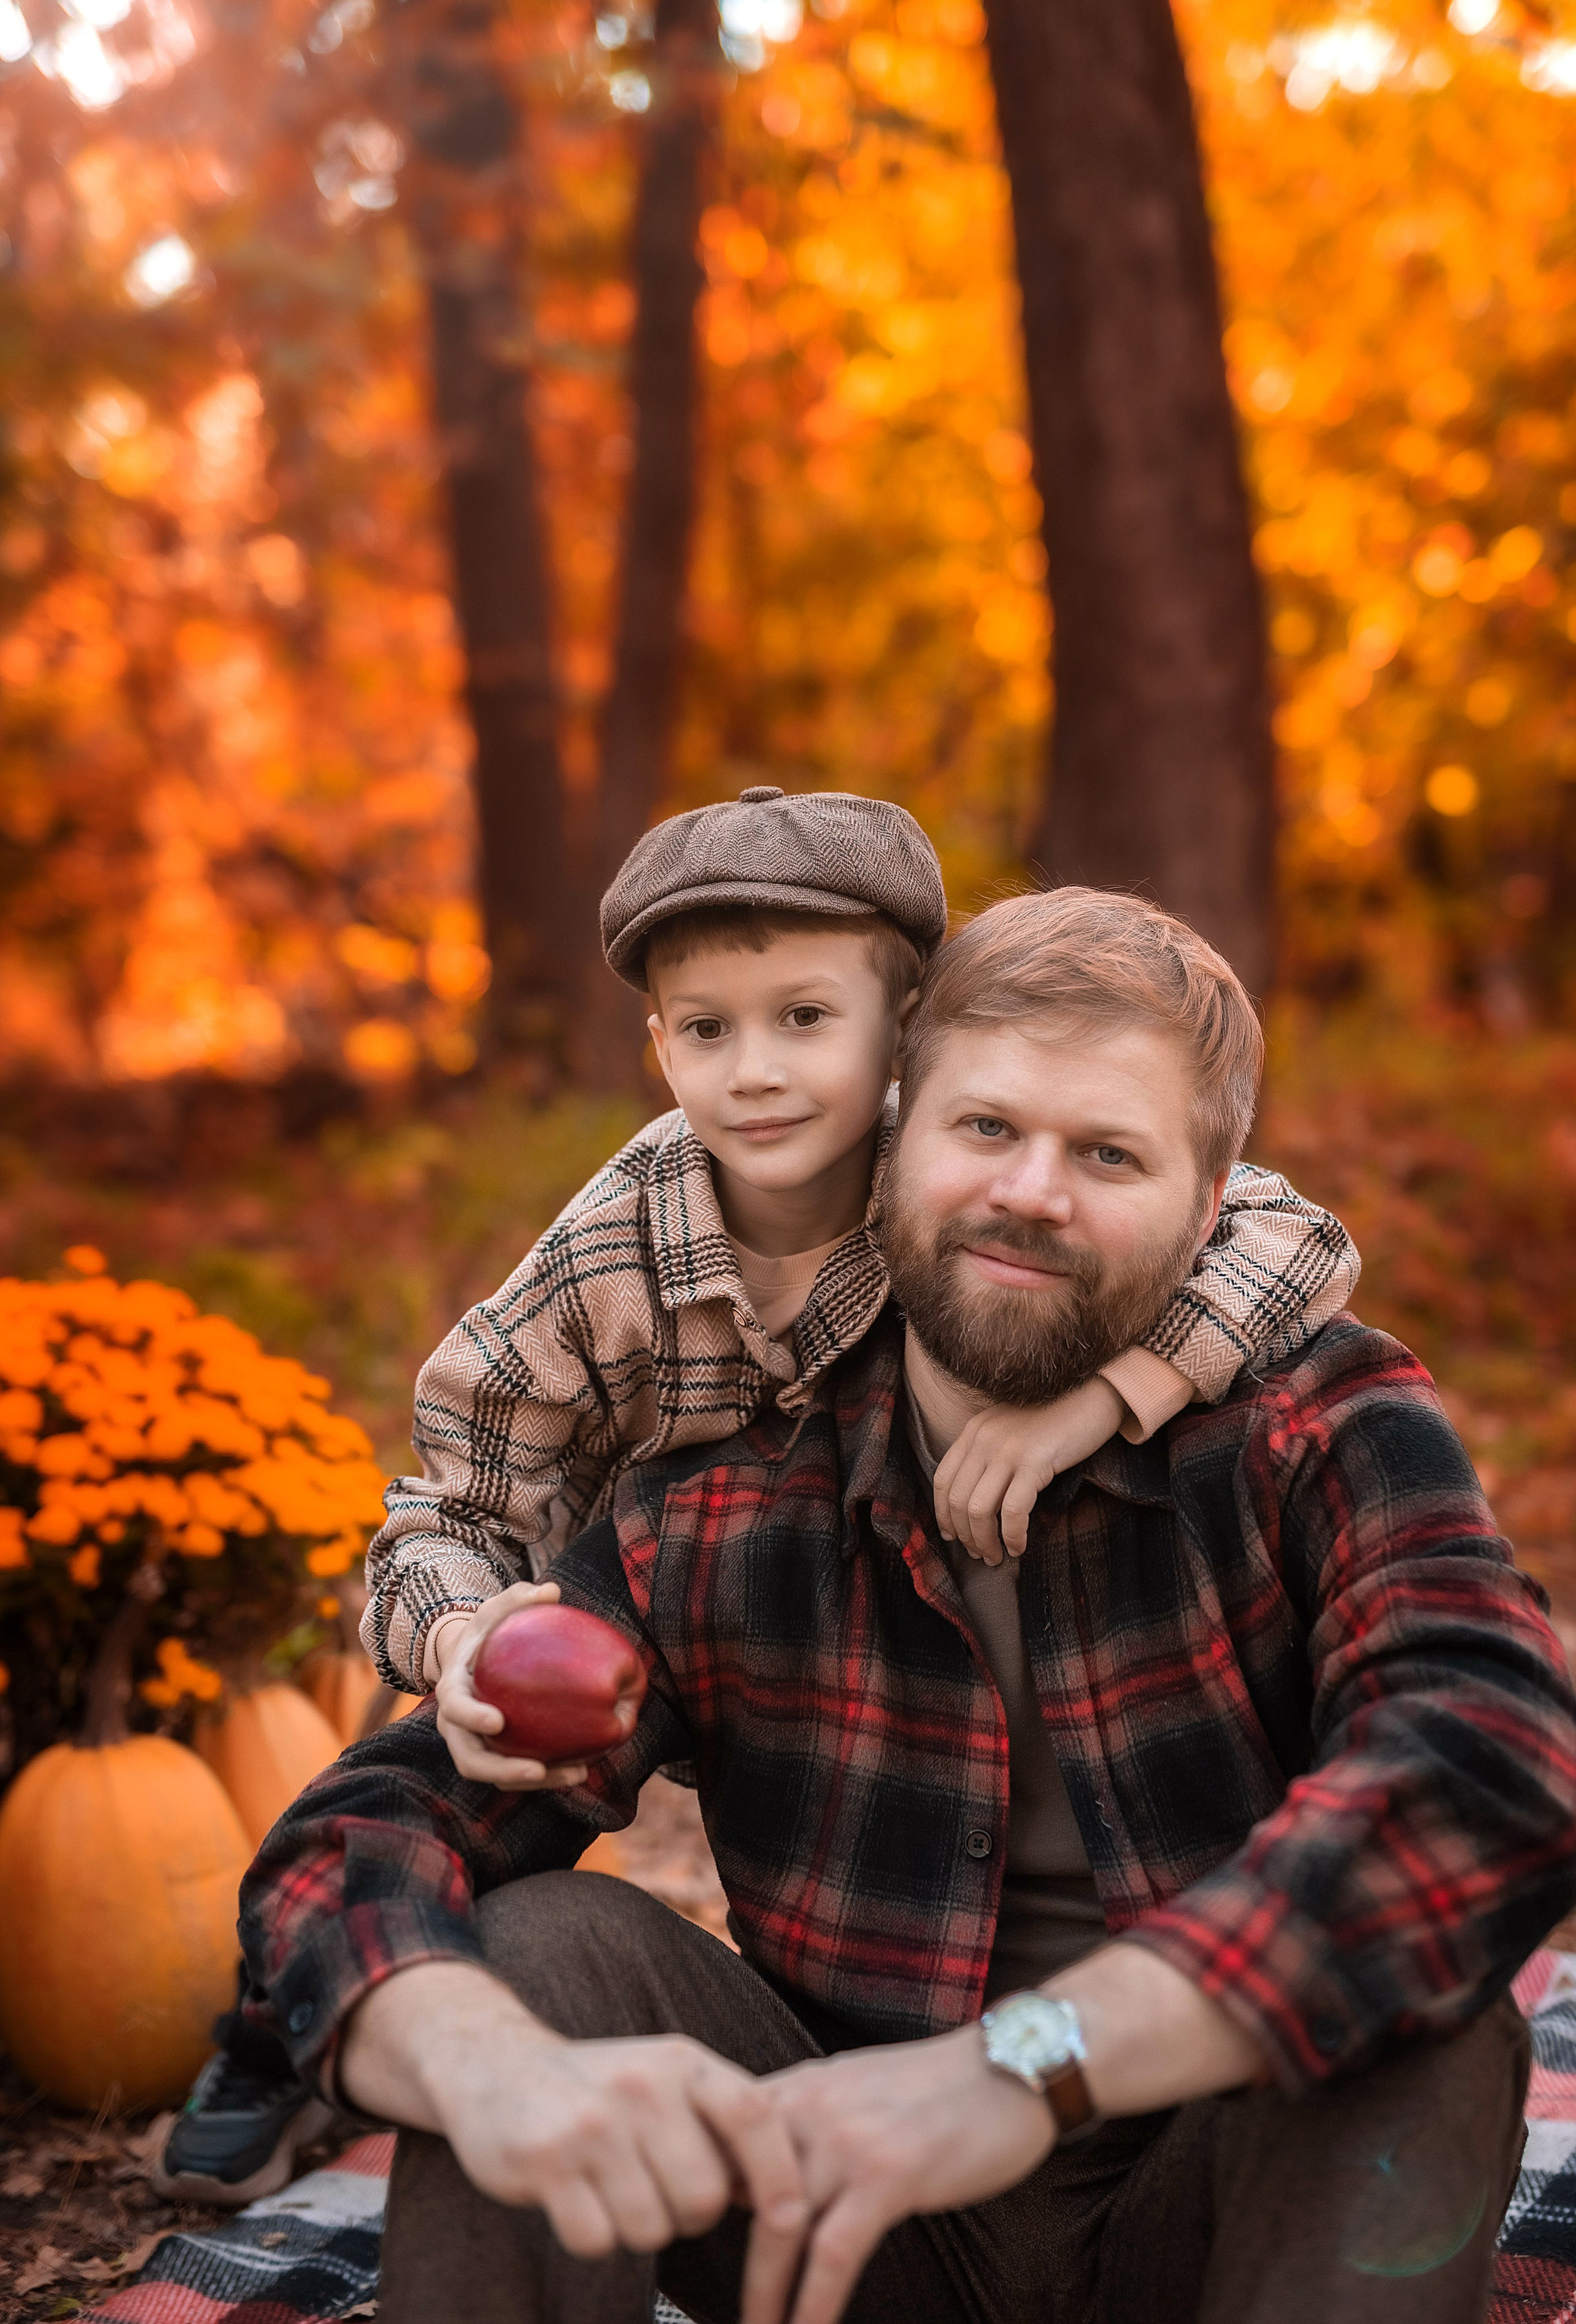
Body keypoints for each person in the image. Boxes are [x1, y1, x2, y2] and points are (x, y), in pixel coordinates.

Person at [239, 885, 1576, 2324]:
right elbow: (359, 1835)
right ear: (888, 1159)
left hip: (1224, 2193)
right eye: (986, 1128)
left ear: (1208, 1211)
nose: (1031, 1191)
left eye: (1106, 1153)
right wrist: (474, 2063)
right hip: (847, 2219)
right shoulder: (727, 1502)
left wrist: (1027, 2063)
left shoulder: (1314, 1422)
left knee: (1420, 2008)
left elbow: (1492, 1753)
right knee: (537, 1954)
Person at [159, 790, 1356, 2206]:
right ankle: (275, 2024)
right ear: (655, 1041)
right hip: (630, 1579)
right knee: (437, 1777)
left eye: (803, 1018)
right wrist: (460, 1635)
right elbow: (451, 1487)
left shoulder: (976, 1157)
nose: (755, 1073)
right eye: (705, 1029)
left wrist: (1096, 1399)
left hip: (860, 1573)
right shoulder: (606, 1254)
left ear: (902, 1023)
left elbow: (1287, 1234)